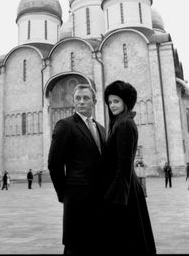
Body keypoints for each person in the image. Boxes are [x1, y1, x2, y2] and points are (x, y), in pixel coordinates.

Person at [48, 83, 106, 255]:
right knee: (75, 245)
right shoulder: (65, 125)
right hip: (77, 199)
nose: (81, 102)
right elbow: (54, 163)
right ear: (73, 102)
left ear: (94, 101)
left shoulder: (101, 129)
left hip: (99, 198)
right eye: (78, 98)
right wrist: (64, 194)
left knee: (96, 244)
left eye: (86, 98)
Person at [103, 80, 156, 255]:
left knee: (126, 240)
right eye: (110, 102)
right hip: (126, 189)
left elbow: (124, 166)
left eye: (116, 101)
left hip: (123, 192)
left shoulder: (125, 124)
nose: (112, 105)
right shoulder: (121, 122)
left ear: (125, 102)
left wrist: (115, 199)